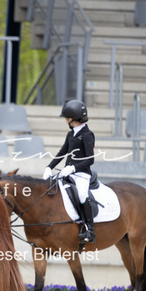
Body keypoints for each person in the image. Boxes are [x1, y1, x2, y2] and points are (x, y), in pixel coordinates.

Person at [43, 99, 96, 243]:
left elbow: (90, 159)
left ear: (72, 118)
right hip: (67, 172)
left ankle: (90, 230)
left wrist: (73, 168)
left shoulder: (87, 135)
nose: (65, 120)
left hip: (82, 174)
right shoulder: (70, 134)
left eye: (66, 118)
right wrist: (49, 167)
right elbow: (62, 152)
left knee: (82, 195)